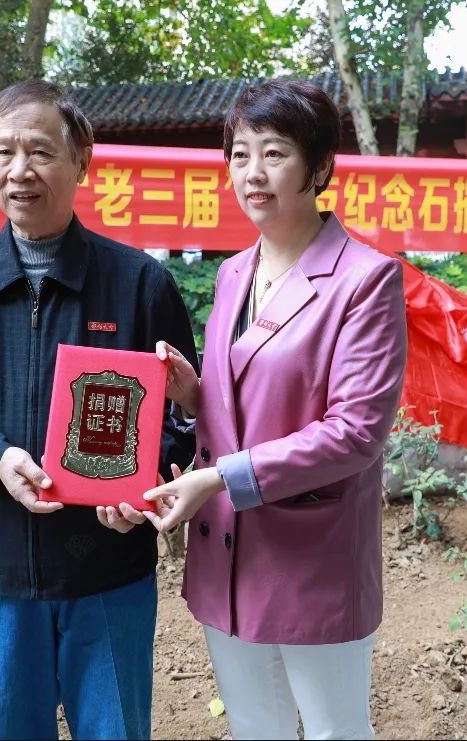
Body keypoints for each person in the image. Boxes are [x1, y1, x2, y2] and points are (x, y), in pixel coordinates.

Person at [0, 79, 198, 741]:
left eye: (39, 150)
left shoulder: (139, 284)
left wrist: (147, 486)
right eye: (3, 152)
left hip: (108, 575)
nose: (19, 170)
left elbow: (179, 418)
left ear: (81, 160)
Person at [142, 80, 408, 740]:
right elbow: (242, 401)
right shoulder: (233, 272)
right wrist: (192, 394)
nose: (252, 172)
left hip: (310, 552)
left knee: (334, 730)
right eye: (239, 154)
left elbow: (354, 433)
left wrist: (216, 478)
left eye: (274, 153)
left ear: (318, 167)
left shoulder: (364, 279)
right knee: (254, 726)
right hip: (226, 548)